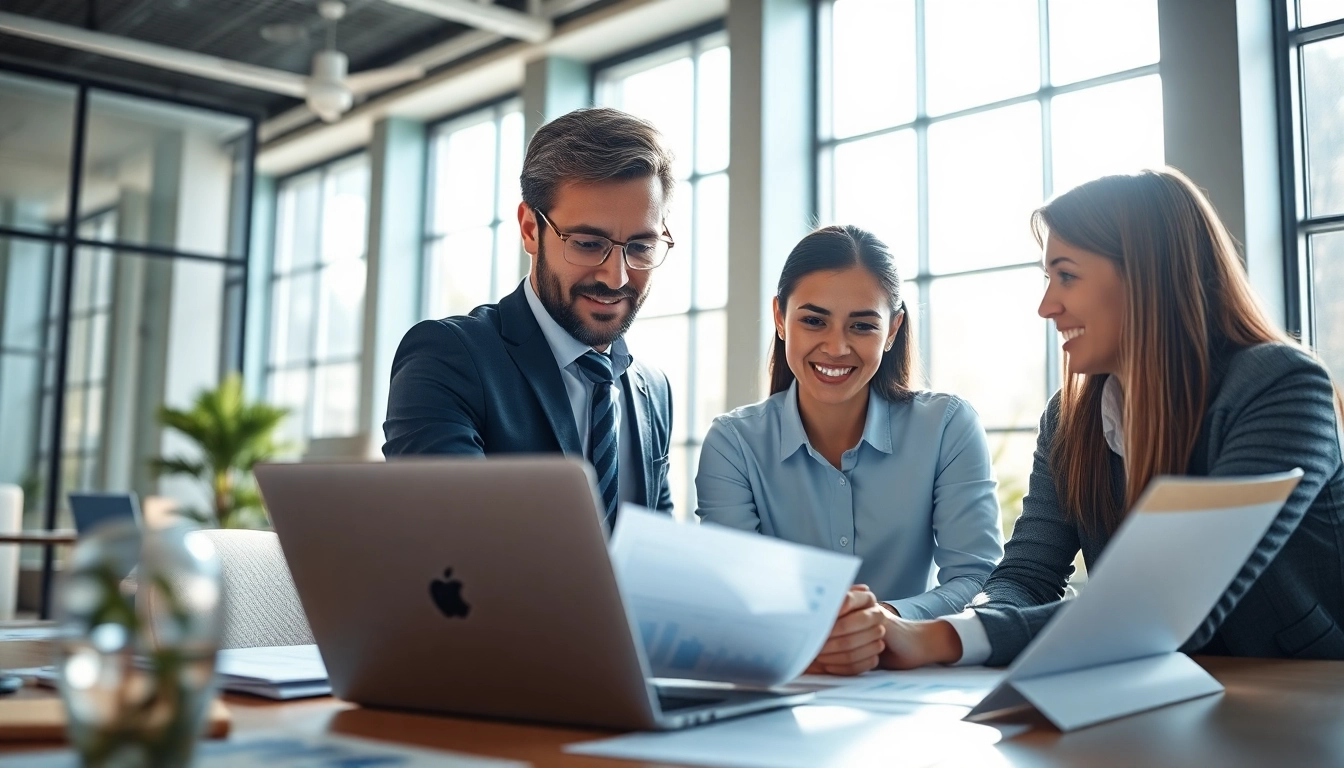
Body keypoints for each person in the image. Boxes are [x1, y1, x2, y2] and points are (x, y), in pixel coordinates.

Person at [866, 167, 1344, 670]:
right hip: (1153, 698)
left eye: (1066, 275)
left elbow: (1171, 606)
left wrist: (944, 638)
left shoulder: (1280, 387)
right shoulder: (1069, 420)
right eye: (1048, 279)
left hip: (1307, 699)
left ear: (1148, 275)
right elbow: (1026, 575)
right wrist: (972, 627)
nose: (1046, 306)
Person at [695, 224, 1004, 675]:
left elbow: (977, 579)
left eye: (862, 325)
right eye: (814, 320)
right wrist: (820, 638)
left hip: (914, 689)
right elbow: (735, 595)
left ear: (894, 328)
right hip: (788, 684)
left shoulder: (947, 427)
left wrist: (890, 622)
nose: (836, 347)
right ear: (780, 318)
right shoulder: (733, 444)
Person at [382, 108, 677, 522]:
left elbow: (655, 551)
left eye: (642, 247)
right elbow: (449, 536)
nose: (616, 276)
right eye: (589, 243)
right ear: (529, 229)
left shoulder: (653, 389)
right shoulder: (447, 357)